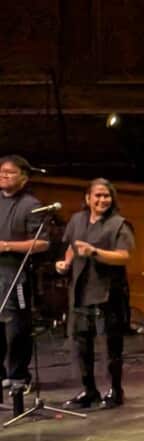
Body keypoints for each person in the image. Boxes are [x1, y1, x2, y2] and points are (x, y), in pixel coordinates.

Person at [55, 179, 133, 408]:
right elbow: (71, 246)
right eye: (97, 196)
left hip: (108, 292)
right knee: (81, 343)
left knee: (110, 345)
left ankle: (115, 391)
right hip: (81, 289)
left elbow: (124, 256)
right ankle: (89, 390)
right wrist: (66, 262)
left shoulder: (119, 224)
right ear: (88, 198)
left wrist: (95, 252)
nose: (102, 200)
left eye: (106, 196)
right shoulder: (77, 219)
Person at [0, 155, 50, 398]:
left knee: (16, 326)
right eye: (1, 171)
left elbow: (42, 243)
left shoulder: (32, 205)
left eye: (10, 172)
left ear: (23, 177)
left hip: (15, 272)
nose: (4, 175)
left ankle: (19, 374)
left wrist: (8, 246)